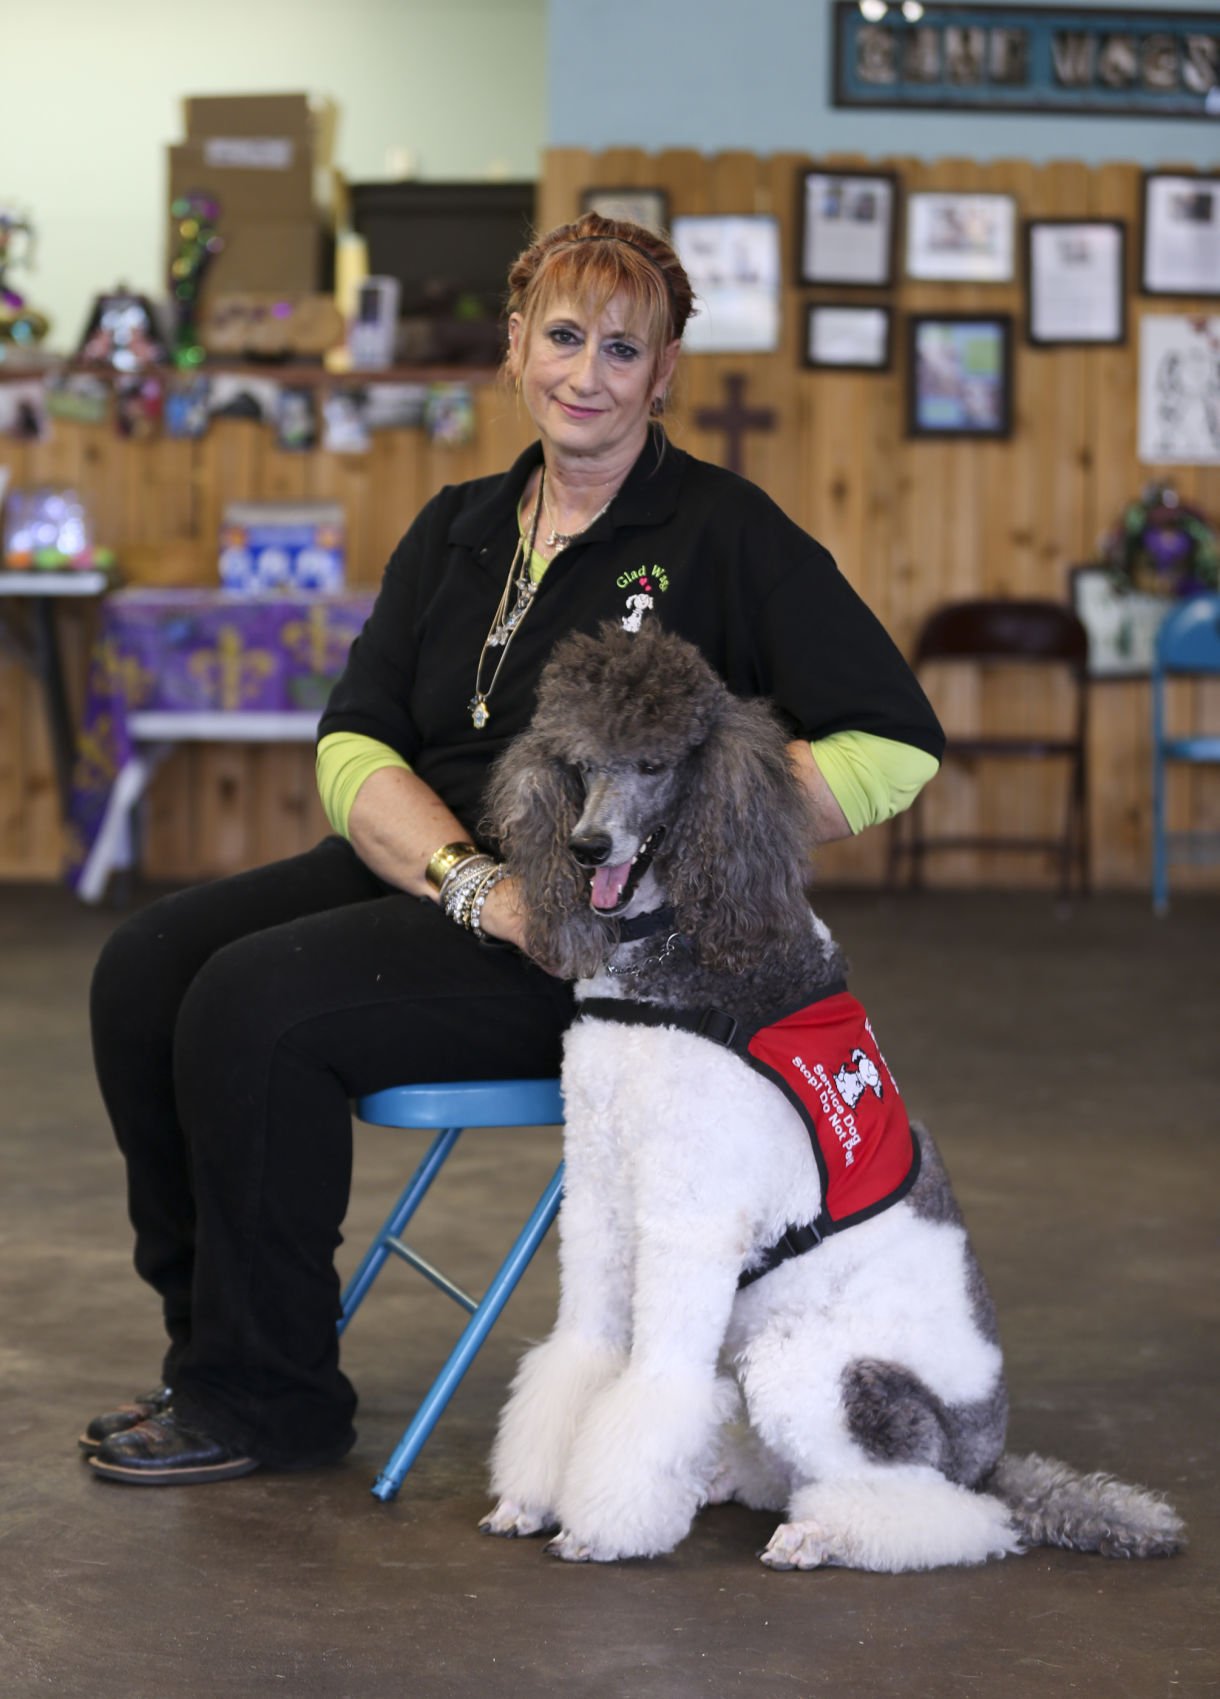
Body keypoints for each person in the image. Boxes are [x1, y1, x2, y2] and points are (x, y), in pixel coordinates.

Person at [83, 212, 945, 1485]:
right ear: (512, 346)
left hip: (592, 931)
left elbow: (893, 744)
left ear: (660, 377)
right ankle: (215, 1346)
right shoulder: (458, 525)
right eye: (561, 336)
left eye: (619, 349)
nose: (583, 373)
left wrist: (677, 843)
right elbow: (354, 743)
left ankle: (268, 1398)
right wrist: (466, 879)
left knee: (253, 1006)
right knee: (145, 965)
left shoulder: (724, 532)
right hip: (449, 876)